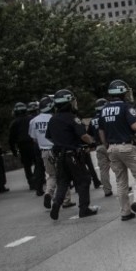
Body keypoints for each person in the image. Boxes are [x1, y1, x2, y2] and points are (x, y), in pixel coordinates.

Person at [98, 79, 136, 221]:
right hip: (127, 146)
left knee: (121, 181)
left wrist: (107, 146)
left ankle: (125, 212)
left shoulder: (103, 110)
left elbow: (101, 132)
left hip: (111, 148)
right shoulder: (126, 107)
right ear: (122, 92)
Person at [45, 89, 99, 220]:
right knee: (84, 180)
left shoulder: (53, 119)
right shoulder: (72, 118)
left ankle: (57, 204)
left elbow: (49, 137)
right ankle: (84, 209)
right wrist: (93, 141)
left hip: (60, 156)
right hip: (73, 155)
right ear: (68, 103)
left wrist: (61, 142)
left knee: (63, 182)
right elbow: (84, 135)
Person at [29, 95, 73, 210]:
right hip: (56, 150)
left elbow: (34, 139)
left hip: (44, 152)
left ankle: (48, 193)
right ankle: (66, 200)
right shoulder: (55, 118)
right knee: (63, 176)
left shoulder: (33, 121)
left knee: (51, 175)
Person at [87, 98, 113, 197]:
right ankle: (123, 187)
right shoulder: (107, 116)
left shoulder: (93, 120)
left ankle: (107, 190)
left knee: (103, 169)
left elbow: (89, 134)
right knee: (118, 167)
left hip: (98, 146)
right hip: (109, 144)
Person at [9, 102, 37, 190]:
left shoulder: (14, 123)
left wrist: (13, 150)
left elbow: (11, 138)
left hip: (22, 146)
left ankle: (31, 182)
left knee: (27, 165)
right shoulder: (32, 119)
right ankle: (38, 178)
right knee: (38, 162)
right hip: (33, 143)